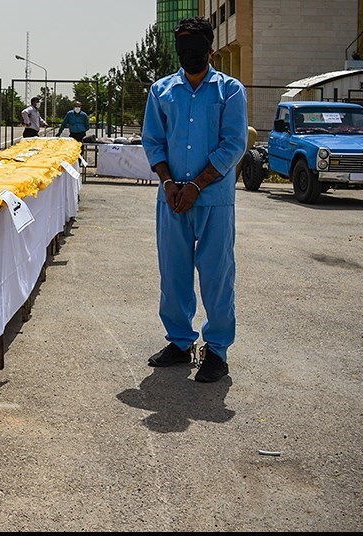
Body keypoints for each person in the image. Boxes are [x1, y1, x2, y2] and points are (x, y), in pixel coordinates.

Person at [141, 16, 248, 383]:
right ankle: (180, 342)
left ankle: (216, 350)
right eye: (182, 48)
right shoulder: (161, 91)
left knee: (217, 276)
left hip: (213, 200)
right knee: (173, 275)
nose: (188, 54)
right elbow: (153, 141)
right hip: (172, 199)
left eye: (195, 47)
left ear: (210, 49)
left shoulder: (230, 91)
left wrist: (197, 185)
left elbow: (234, 143)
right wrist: (169, 182)